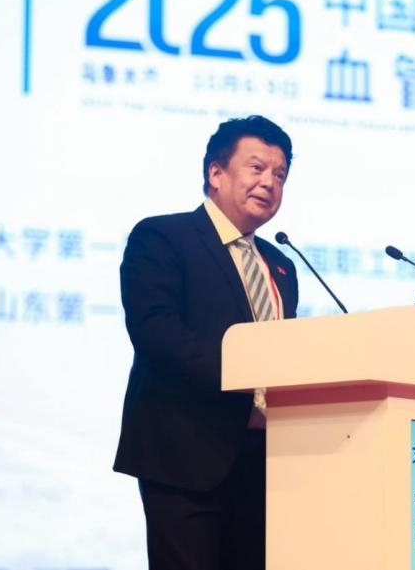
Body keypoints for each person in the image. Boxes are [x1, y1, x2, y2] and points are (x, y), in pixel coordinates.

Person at [113, 115, 299, 569]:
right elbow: (157, 334)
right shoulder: (163, 237)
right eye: (256, 168)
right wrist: (244, 379)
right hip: (186, 458)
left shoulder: (280, 265)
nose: (269, 183)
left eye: (279, 175)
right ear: (216, 173)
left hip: (263, 464)